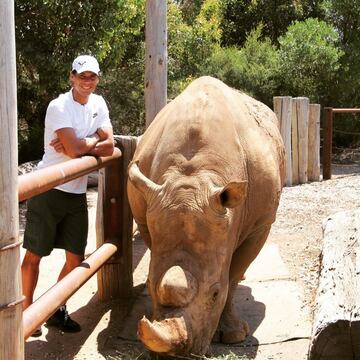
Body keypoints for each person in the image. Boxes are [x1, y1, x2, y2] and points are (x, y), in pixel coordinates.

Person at [21, 55, 114, 336]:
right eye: (82, 76)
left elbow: (108, 146)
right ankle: (27, 313)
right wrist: (92, 140)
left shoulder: (99, 104)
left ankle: (54, 309)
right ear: (71, 77)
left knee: (75, 259)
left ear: (97, 78)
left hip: (76, 191)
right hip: (48, 189)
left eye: (92, 76)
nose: (87, 81)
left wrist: (85, 142)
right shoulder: (59, 106)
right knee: (35, 256)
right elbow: (74, 150)